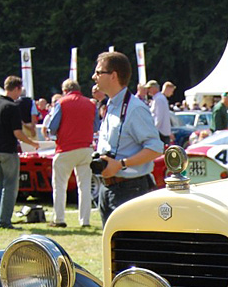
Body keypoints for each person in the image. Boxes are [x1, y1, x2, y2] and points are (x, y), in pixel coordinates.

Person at [91, 51, 165, 226]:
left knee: (130, 247)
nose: (94, 77)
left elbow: (155, 148)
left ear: (113, 76)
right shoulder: (111, 105)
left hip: (130, 189)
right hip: (107, 188)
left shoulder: (135, 108)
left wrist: (121, 164)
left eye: (99, 72)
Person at [0, 76, 40, 229]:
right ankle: (4, 221)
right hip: (8, 150)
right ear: (16, 89)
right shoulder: (12, 106)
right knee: (10, 186)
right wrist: (32, 143)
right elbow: (17, 133)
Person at [44, 78, 95, 228]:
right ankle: (85, 220)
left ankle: (59, 219)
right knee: (84, 187)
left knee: (60, 186)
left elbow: (53, 127)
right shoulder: (90, 104)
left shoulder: (62, 102)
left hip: (65, 148)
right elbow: (96, 125)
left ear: (65, 91)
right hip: (86, 148)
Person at [148, 80, 175, 144]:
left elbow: (158, 117)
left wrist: (153, 131)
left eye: (149, 88)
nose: (148, 90)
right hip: (162, 132)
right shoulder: (160, 98)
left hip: (160, 133)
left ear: (154, 88)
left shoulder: (159, 99)